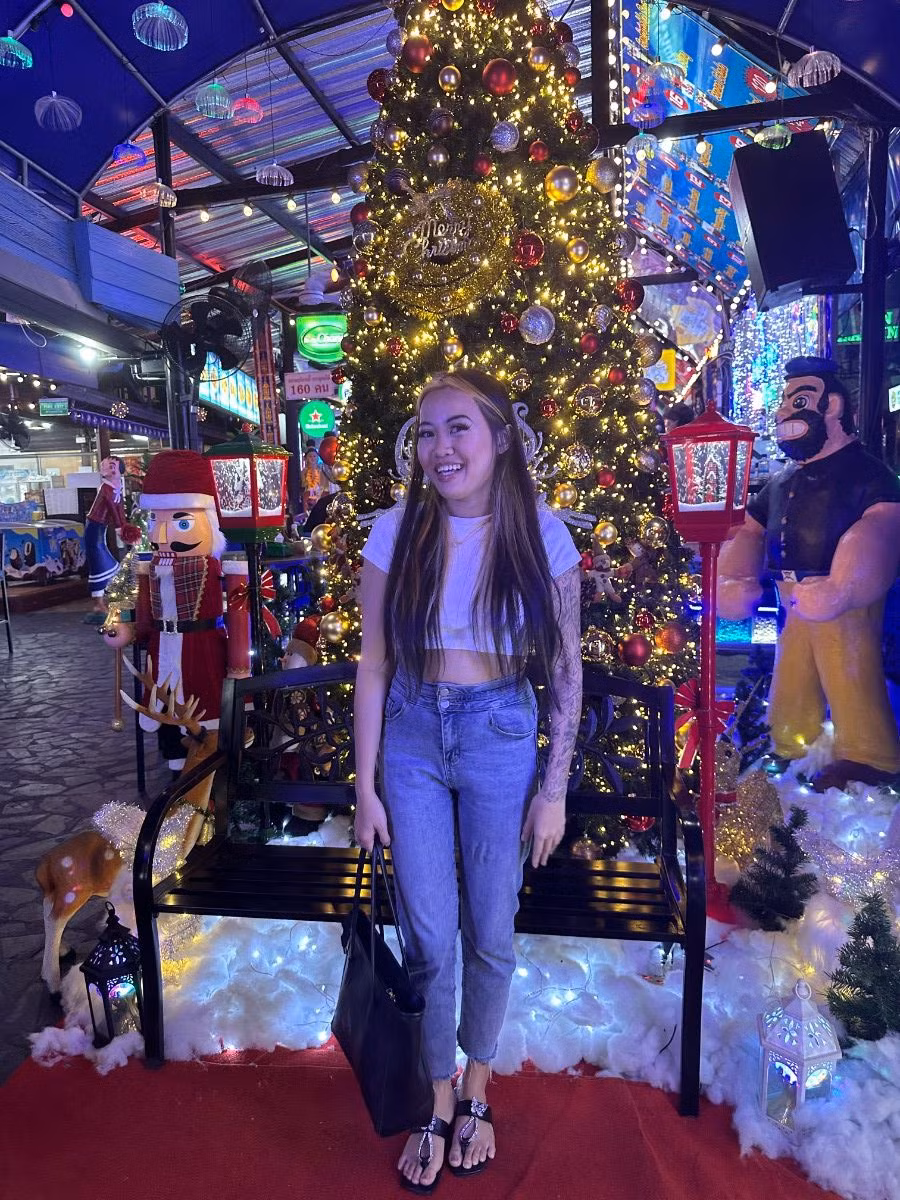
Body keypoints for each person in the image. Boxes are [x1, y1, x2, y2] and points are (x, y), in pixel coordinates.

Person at [353, 369, 582, 1193]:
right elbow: (373, 664)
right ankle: (439, 1098)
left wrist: (553, 789)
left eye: (458, 428)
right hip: (413, 732)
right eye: (427, 431)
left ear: (499, 440)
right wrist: (365, 786)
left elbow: (566, 668)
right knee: (427, 933)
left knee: (490, 926)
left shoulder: (542, 535)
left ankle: (479, 1087)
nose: (440, 447)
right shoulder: (396, 531)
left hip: (498, 735)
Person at [718, 356, 900, 792]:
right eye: (784, 401)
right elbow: (750, 529)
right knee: (792, 672)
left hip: (846, 602)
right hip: (793, 599)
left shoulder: (866, 473)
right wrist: (735, 577)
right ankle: (790, 744)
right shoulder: (782, 481)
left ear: (832, 406)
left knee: (848, 669)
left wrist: (843, 587)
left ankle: (870, 756)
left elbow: (880, 528)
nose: (784, 410)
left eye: (798, 401)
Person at [103, 450, 250, 768]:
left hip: (202, 652)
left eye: (181, 522)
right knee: (166, 711)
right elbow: (144, 616)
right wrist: (126, 629)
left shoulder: (216, 568)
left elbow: (240, 610)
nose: (161, 535)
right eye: (155, 520)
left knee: (205, 711)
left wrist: (239, 664)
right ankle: (176, 769)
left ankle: (208, 771)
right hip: (162, 650)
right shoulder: (151, 568)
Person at [84, 456, 141, 612]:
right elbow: (112, 508)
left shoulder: (115, 487)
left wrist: (123, 525)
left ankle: (102, 600)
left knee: (101, 559)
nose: (105, 468)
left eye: (111, 466)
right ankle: (99, 603)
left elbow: (119, 509)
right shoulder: (106, 488)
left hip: (99, 527)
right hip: (94, 527)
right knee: (99, 560)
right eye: (104, 465)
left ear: (118, 471)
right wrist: (119, 527)